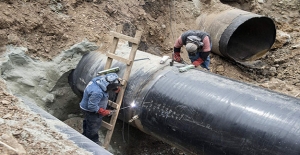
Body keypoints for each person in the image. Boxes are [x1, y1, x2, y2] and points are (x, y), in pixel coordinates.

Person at [79, 73, 121, 145]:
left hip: (84, 106)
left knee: (88, 122)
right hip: (91, 111)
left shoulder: (98, 80)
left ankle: (85, 135)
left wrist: (115, 88)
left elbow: (109, 79)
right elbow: (92, 107)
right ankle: (92, 142)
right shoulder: (97, 92)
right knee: (93, 126)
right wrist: (103, 111)